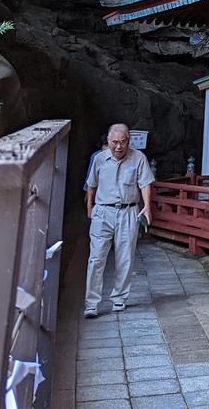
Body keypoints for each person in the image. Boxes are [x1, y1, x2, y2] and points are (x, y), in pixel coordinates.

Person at [83, 124, 155, 318]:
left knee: (125, 257)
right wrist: (90, 207)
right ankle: (91, 303)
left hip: (128, 211)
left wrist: (147, 206)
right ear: (108, 141)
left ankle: (119, 298)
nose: (119, 146)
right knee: (96, 258)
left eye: (123, 142)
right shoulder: (99, 159)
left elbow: (145, 184)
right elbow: (91, 185)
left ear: (129, 141)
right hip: (103, 211)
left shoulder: (138, 158)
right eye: (115, 142)